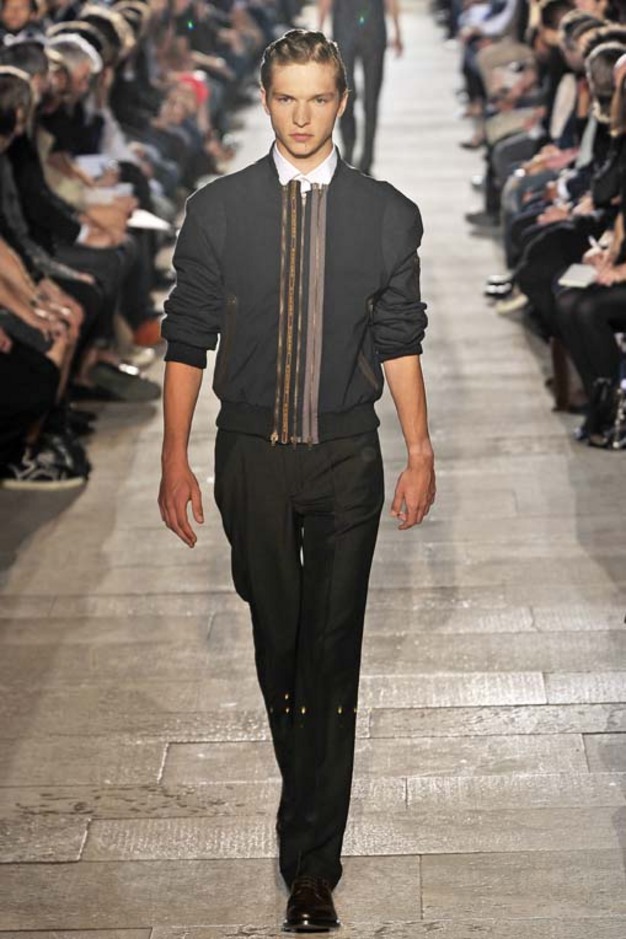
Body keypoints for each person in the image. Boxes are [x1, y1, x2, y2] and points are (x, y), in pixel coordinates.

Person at [158, 29, 435, 933]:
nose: (303, 116)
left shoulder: (387, 215)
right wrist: (172, 457)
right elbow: (187, 336)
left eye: (319, 98)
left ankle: (311, 863)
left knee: (332, 648)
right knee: (279, 640)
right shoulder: (218, 210)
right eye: (287, 98)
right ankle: (307, 807)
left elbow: (399, 337)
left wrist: (421, 450)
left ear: (342, 102)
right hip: (251, 456)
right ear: (267, 99)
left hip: (348, 456)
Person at [317, 0, 402, 174]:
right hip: (358, 27)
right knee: (354, 95)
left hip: (357, 27)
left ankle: (360, 156)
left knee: (365, 97)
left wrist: (397, 30)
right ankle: (356, 154)